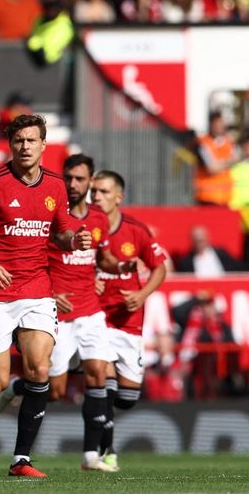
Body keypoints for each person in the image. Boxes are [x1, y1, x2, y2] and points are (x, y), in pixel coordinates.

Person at [0, 114, 92, 478]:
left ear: (44, 145)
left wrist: (74, 238)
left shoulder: (55, 186)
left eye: (31, 140)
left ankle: (21, 460)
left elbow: (60, 232)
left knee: (40, 368)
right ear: (11, 144)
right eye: (18, 140)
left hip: (38, 289)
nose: (24, 147)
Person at [0, 154, 136, 472]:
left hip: (90, 312)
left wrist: (121, 266)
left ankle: (91, 456)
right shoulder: (50, 210)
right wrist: (51, 294)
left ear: (90, 181)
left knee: (99, 372)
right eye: (68, 177)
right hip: (57, 311)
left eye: (80, 179)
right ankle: (16, 387)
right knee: (52, 391)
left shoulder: (97, 218)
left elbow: (104, 256)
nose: (72, 184)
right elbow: (30, 258)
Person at [90, 169, 168, 471]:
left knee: (127, 398)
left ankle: (26, 387)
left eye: (104, 192)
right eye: (94, 192)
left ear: (119, 197)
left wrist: (143, 293)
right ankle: (107, 451)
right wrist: (87, 283)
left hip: (129, 322)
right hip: (96, 318)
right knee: (104, 383)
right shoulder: (84, 228)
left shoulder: (136, 230)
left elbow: (159, 267)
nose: (97, 197)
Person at [175, 225, 245, 277]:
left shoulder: (222, 254)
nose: (199, 244)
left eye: (201, 240)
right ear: (192, 241)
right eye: (197, 241)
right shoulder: (186, 262)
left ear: (208, 238)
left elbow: (238, 269)